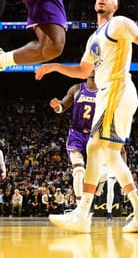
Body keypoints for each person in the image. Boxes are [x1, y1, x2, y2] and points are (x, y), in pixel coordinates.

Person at [36, 0, 138, 233]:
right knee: (110, 155)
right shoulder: (93, 39)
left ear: (115, 7)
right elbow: (82, 71)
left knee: (93, 146)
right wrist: (55, 67)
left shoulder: (119, 23)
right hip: (107, 94)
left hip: (116, 89)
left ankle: (82, 213)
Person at [49, 72, 119, 217]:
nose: (93, 70)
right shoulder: (76, 88)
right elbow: (62, 106)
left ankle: (97, 188)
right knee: (78, 170)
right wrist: (57, 107)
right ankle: (80, 209)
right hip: (77, 134)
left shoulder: (104, 90)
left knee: (103, 173)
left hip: (96, 135)